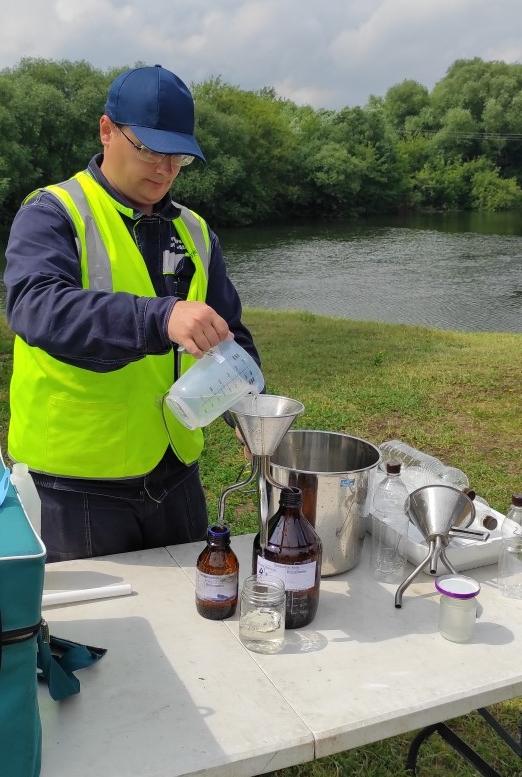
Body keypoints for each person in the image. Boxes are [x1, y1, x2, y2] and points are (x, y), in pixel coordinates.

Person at [4, 64, 261, 562]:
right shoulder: (53, 211)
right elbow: (35, 305)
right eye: (149, 150)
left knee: (190, 603)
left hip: (175, 472)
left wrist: (251, 410)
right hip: (76, 484)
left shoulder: (195, 230)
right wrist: (159, 318)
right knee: (96, 613)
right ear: (107, 130)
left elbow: (228, 333)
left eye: (178, 157)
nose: (165, 169)